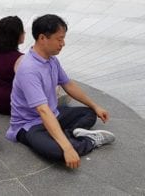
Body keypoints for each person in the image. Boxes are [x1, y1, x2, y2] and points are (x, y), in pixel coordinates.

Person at [6, 14, 115, 169]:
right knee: (59, 152)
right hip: (29, 125)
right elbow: (42, 110)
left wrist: (95, 106)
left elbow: (68, 84)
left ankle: (69, 135)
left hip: (53, 114)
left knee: (89, 113)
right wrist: (68, 148)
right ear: (42, 38)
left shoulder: (51, 59)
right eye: (59, 39)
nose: (63, 44)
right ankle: (89, 141)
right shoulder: (28, 69)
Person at [0, 16, 25, 115]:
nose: (24, 33)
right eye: (22, 31)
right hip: (8, 102)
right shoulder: (19, 59)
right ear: (16, 35)